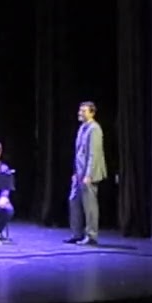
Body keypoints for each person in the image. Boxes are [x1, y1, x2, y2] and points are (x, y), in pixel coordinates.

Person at [66, 101, 106, 246]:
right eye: (80, 110)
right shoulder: (82, 128)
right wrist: (76, 172)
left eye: (83, 111)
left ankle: (91, 236)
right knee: (73, 201)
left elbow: (93, 154)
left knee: (89, 205)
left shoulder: (94, 129)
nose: (80, 113)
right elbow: (79, 154)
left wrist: (88, 174)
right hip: (79, 173)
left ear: (92, 113)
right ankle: (77, 234)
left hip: (89, 174)